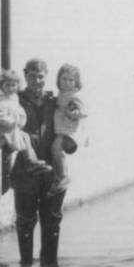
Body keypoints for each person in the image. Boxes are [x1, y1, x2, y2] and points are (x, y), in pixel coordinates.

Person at [11, 58, 74, 267]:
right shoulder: (14, 100)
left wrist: (68, 141)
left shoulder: (54, 102)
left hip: (52, 171)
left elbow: (71, 131)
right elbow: (2, 133)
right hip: (25, 171)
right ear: (25, 75)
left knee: (52, 221)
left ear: (46, 76)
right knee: (25, 222)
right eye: (32, 76)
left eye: (40, 76)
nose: (37, 80)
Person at [0, 69, 51, 172]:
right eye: (8, 85)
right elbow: (0, 117)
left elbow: (18, 110)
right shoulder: (0, 100)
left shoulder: (14, 97)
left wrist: (21, 118)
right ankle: (31, 161)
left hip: (12, 128)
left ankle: (32, 160)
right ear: (2, 85)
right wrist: (13, 122)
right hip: (2, 130)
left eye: (13, 85)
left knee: (26, 137)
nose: (11, 88)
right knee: (21, 139)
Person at [49, 63, 87, 195]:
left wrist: (74, 113)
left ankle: (63, 176)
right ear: (59, 80)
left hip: (69, 130)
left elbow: (82, 110)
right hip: (62, 128)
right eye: (64, 79)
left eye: (71, 80)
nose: (67, 83)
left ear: (76, 82)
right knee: (56, 150)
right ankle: (58, 175)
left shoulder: (73, 96)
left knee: (55, 148)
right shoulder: (62, 94)